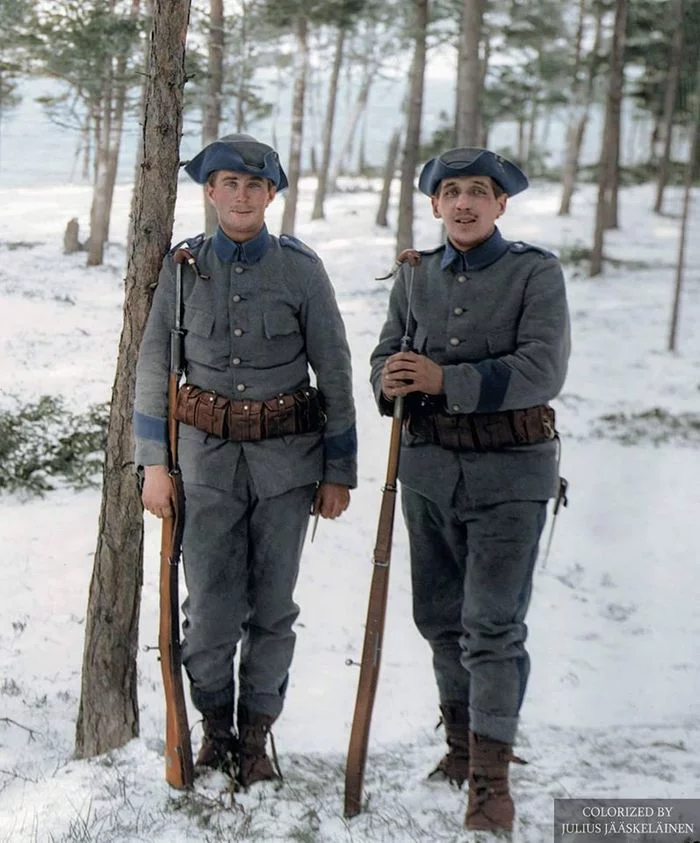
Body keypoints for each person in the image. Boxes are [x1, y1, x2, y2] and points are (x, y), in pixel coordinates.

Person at [134, 133, 357, 788]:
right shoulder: (180, 269)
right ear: (209, 192)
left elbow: (336, 370)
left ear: (271, 196)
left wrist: (339, 469)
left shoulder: (301, 270)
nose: (240, 195)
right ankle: (215, 732)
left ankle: (257, 736)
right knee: (208, 609)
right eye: (228, 183)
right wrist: (153, 462)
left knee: (272, 608)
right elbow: (154, 369)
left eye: (254, 186)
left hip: (288, 467)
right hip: (202, 470)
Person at [370, 148, 570, 833]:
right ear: (433, 204)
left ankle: (491, 783)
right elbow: (387, 349)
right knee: (440, 619)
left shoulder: (534, 272)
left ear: (500, 205)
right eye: (450, 192)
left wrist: (443, 382)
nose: (463, 203)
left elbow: (542, 368)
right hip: (428, 472)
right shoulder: (415, 272)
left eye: (478, 193)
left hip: (512, 472)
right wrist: (389, 377)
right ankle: (459, 750)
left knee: (491, 625)